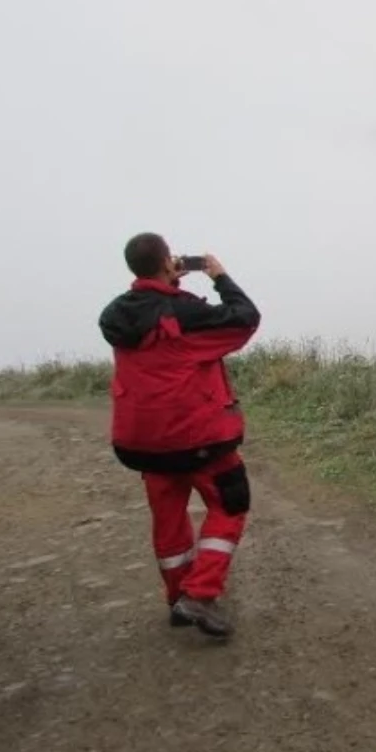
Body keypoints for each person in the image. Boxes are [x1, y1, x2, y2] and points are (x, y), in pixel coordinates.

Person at [98, 232, 261, 638]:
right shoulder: (185, 315)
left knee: (169, 520)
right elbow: (245, 317)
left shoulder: (117, 316)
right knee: (230, 504)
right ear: (168, 263)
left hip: (144, 443)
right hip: (199, 440)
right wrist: (219, 276)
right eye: (171, 258)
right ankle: (199, 595)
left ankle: (178, 598)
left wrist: (169, 284)